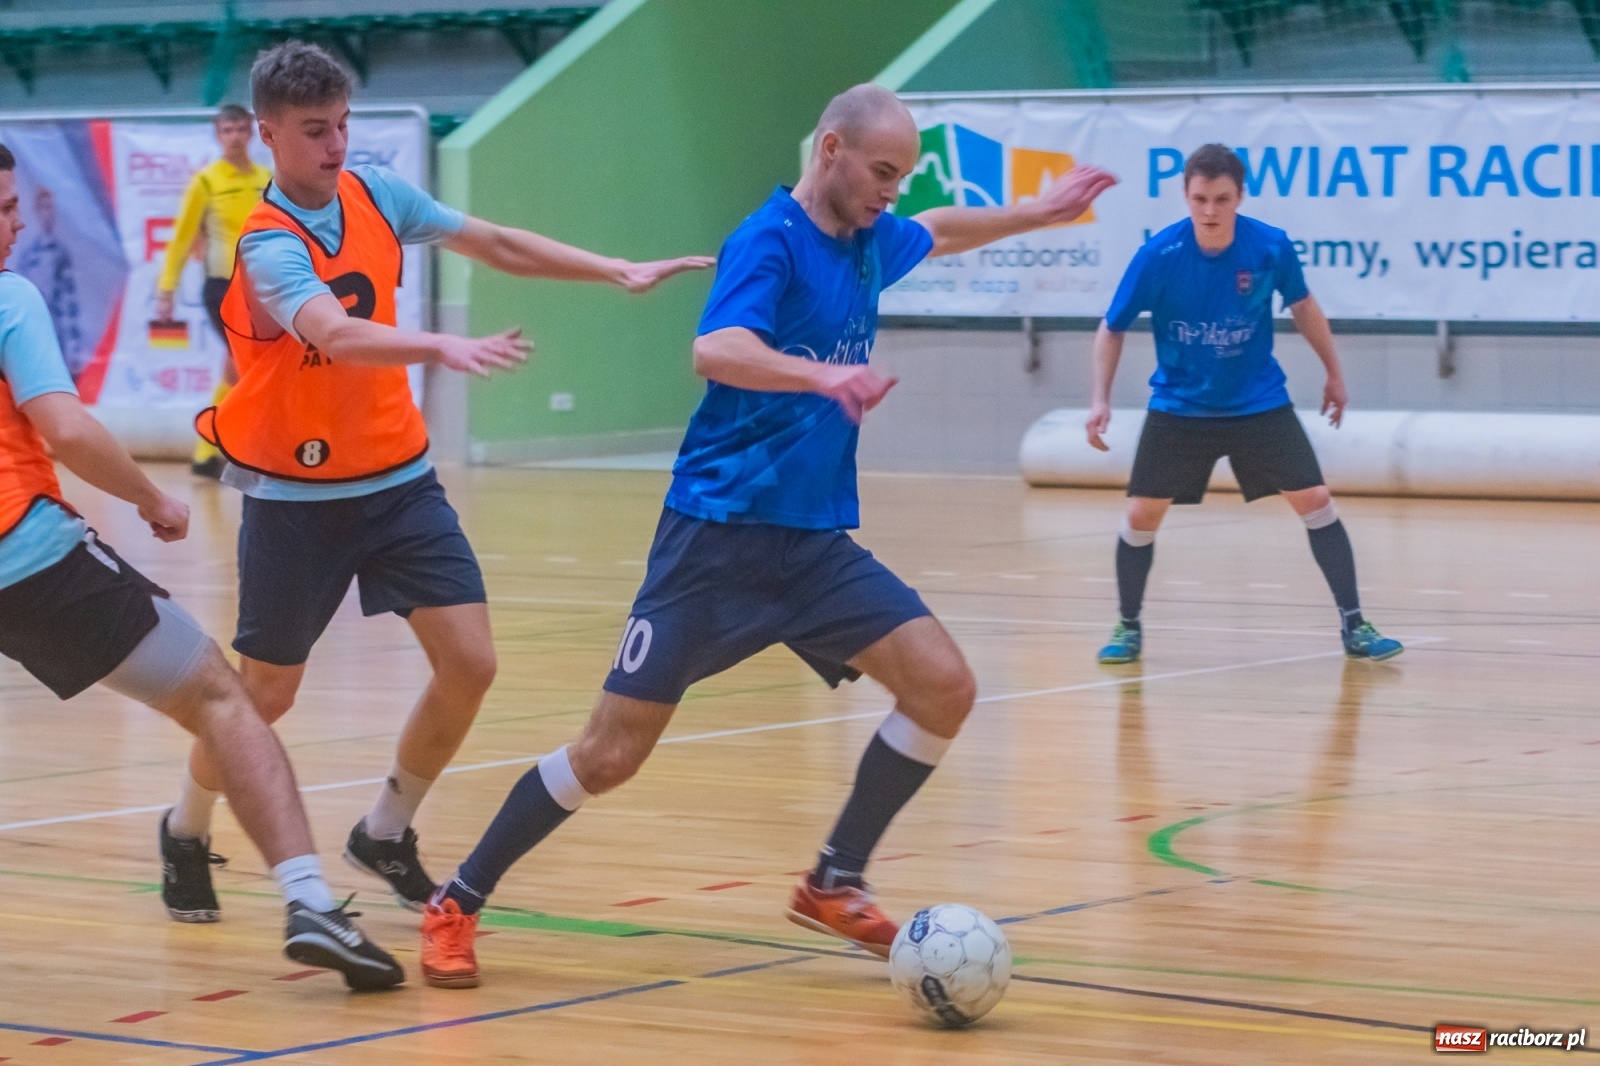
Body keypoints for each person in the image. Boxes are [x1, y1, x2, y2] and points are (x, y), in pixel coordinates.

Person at [417, 84, 1118, 989]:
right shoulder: (769, 239)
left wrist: (1039, 212)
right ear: (830, 148)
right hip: (714, 541)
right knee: (610, 753)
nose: (891, 193)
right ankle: (458, 899)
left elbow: (939, 230)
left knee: (943, 686)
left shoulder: (870, 239)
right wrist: (822, 378)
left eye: (901, 177)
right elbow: (718, 348)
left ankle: (834, 879)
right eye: (880, 172)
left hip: (813, 547)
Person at [161, 40, 714, 927]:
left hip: (395, 479)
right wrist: (442, 346)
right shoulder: (266, 244)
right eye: (314, 131)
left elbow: (489, 241)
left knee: (471, 663)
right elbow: (334, 334)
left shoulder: (376, 190)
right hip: (293, 495)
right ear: (267, 134)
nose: (336, 145)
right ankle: (185, 829)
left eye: (342, 124)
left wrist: (612, 269)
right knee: (261, 697)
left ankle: (386, 829)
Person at [0, 140, 403, 991]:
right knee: (222, 697)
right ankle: (307, 902)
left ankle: (199, 845)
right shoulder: (10, 296)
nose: (10, 228)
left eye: (12, 208)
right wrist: (152, 500)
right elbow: (66, 430)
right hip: (27, 558)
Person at [1085, 143, 1402, 666]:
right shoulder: (1159, 256)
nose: (1210, 211)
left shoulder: (1269, 247)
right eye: (1200, 199)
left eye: (1222, 199)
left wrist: (1334, 374)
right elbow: (1111, 328)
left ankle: (1354, 625)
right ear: (1185, 196)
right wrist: (1099, 400)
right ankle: (1128, 626)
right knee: (1141, 514)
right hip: (1180, 408)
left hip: (1258, 403)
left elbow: (1304, 306)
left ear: (1241, 197)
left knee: (1317, 501)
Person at [155, 103, 272, 479]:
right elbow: (182, 236)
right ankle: (220, 445)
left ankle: (209, 451)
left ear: (252, 132)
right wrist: (167, 286)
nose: (235, 136)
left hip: (264, 286)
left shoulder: (267, 178)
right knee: (242, 363)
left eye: (241, 128)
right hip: (222, 287)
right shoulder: (206, 181)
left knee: (238, 367)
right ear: (217, 135)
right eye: (228, 130)